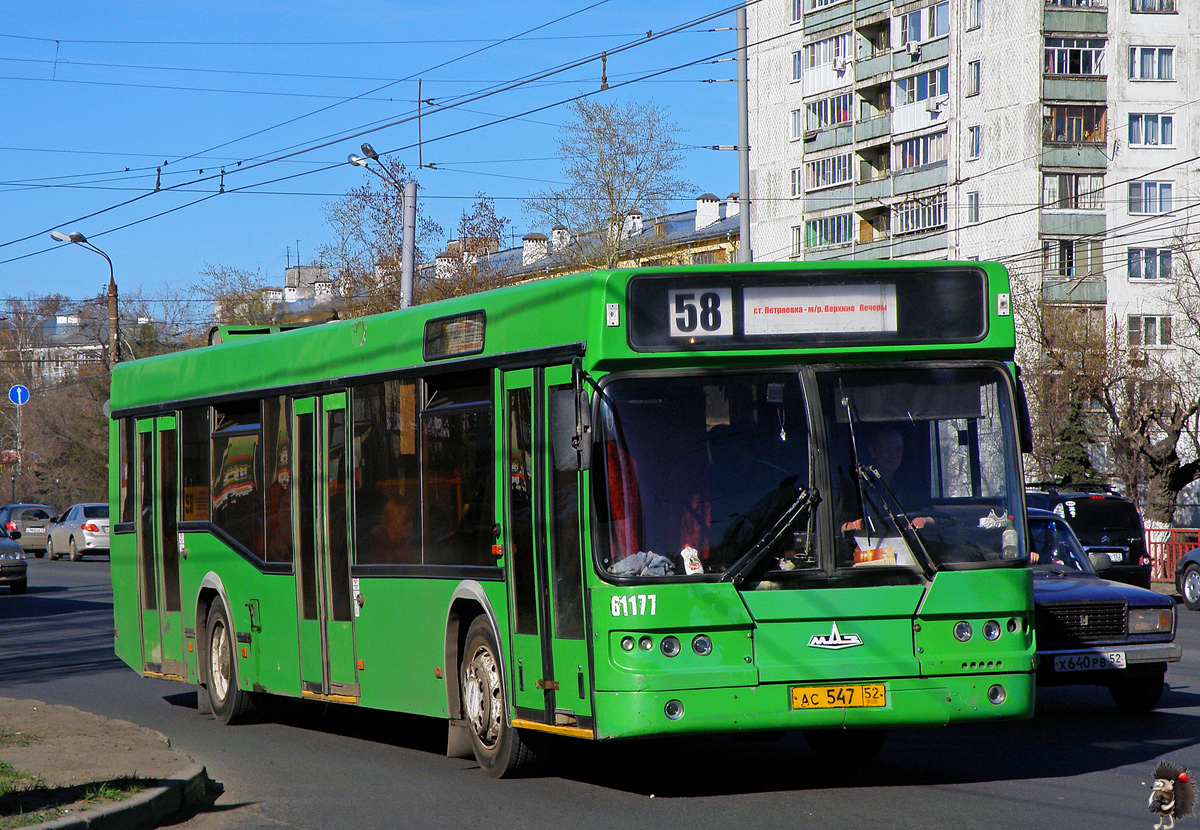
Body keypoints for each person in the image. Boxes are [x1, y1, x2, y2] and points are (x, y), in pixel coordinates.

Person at [842, 427, 932, 532]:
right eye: (887, 449)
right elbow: (841, 526)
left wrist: (924, 521)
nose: (893, 455)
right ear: (873, 452)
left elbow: (931, 514)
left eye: (897, 449)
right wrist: (853, 525)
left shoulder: (911, 483)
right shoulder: (858, 486)